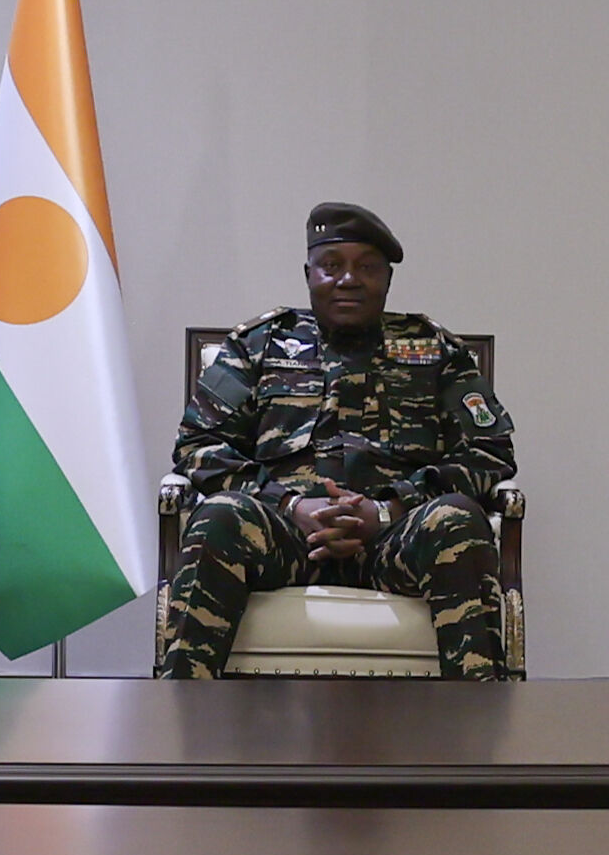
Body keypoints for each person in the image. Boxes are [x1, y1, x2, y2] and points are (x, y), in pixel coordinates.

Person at [154, 203, 519, 680]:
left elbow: (489, 452)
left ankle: (476, 722)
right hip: (285, 538)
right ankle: (183, 714)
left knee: (457, 519)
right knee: (220, 516)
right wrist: (289, 506)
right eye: (332, 265)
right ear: (308, 274)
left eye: (367, 267)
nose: (348, 279)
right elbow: (197, 446)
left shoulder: (435, 351)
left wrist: (389, 509)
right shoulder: (260, 346)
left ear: (387, 279)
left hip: (395, 540)